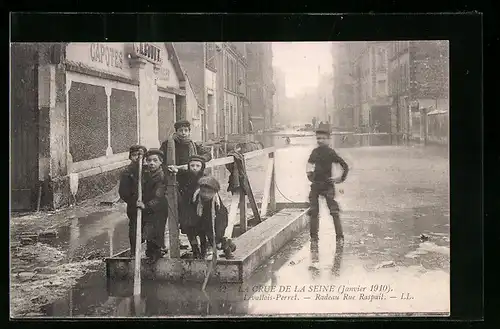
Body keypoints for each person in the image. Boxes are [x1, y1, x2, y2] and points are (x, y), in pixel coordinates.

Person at [159, 120, 212, 250]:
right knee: (174, 212)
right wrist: (169, 170)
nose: (183, 133)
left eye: (186, 130)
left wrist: (197, 161)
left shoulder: (193, 144)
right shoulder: (168, 144)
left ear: (189, 132)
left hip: (190, 182)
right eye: (181, 130)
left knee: (192, 212)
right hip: (174, 181)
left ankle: (200, 243)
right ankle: (175, 241)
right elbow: (161, 160)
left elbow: (208, 154)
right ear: (176, 131)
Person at [306, 128, 349, 244]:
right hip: (316, 186)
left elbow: (345, 165)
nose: (320, 140)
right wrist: (309, 175)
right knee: (313, 211)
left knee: (334, 211)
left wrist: (340, 178)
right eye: (318, 138)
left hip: (328, 185)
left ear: (329, 140)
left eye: (323, 138)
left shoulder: (331, 153)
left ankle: (339, 237)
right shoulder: (315, 152)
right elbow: (309, 164)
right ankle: (313, 238)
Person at [136, 149, 169, 262]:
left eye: (155, 160)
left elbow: (159, 197)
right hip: (147, 206)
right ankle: (151, 252)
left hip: (158, 208)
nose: (151, 163)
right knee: (148, 229)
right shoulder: (145, 173)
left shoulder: (161, 176)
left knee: (156, 230)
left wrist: (146, 206)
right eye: (149, 160)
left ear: (160, 162)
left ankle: (156, 254)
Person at [186, 176, 230, 259]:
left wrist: (218, 237)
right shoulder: (195, 198)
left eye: (209, 192)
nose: (206, 195)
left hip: (213, 222)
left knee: (217, 244)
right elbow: (190, 214)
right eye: (203, 191)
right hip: (200, 220)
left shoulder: (217, 205)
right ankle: (200, 253)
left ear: (215, 192)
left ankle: (227, 247)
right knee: (196, 233)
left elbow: (221, 222)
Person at [118, 145, 148, 257]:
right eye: (135, 155)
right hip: (134, 206)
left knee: (150, 227)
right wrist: (133, 201)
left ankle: (151, 249)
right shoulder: (127, 172)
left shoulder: (148, 170)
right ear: (130, 157)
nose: (138, 158)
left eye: (141, 156)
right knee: (135, 228)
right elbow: (123, 192)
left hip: (148, 205)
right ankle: (134, 251)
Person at [179, 155, 208, 256]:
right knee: (189, 229)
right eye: (192, 166)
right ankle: (195, 249)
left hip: (200, 207)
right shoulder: (184, 176)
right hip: (187, 206)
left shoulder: (205, 178)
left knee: (202, 229)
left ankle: (204, 249)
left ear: (202, 167)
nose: (194, 168)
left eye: (197, 166)